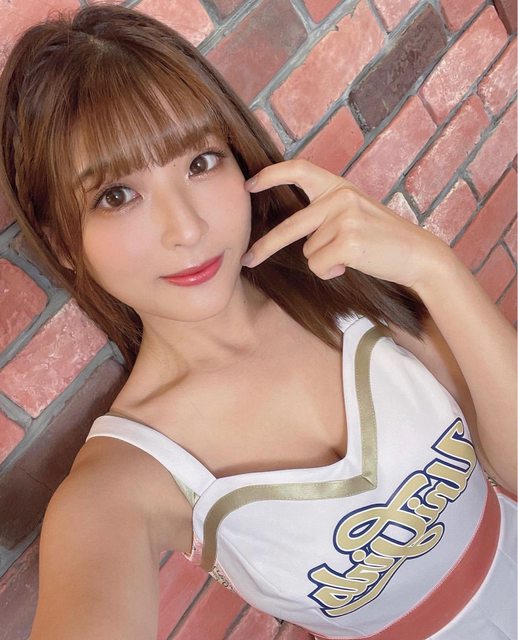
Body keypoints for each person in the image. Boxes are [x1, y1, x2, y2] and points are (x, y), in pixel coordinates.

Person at [0, 4, 516, 639]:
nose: (187, 228)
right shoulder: (121, 482)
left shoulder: (340, 282)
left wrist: (435, 268)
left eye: (200, 162)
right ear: (62, 241)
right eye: (116, 195)